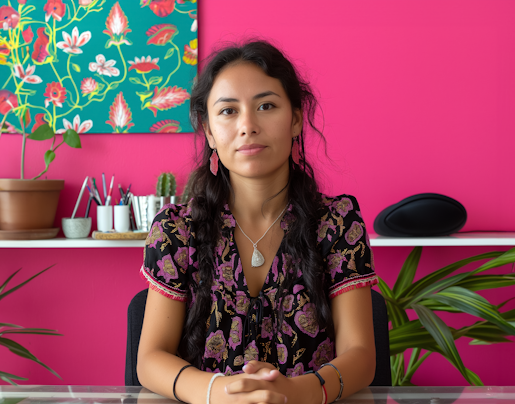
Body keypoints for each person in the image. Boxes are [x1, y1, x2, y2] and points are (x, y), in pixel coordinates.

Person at [137, 40, 379, 404]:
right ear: (208, 131)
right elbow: (150, 360)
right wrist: (218, 392)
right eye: (228, 111)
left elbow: (360, 355)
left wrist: (300, 392)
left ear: (296, 119)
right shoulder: (177, 231)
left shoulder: (338, 223)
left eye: (266, 106)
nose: (248, 125)